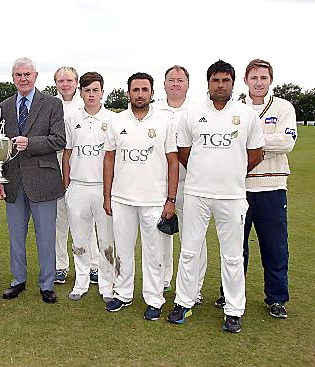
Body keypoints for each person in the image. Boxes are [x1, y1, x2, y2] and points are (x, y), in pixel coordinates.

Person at [168, 60, 264, 333]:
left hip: (232, 196)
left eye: (225, 81)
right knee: (189, 251)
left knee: (232, 256)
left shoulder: (246, 115)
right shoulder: (192, 113)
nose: (220, 85)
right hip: (197, 193)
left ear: (233, 83)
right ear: (208, 83)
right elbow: (184, 151)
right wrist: (204, 172)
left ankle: (234, 309)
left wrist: (231, 172)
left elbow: (256, 154)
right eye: (215, 81)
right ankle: (183, 301)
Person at [214, 59, 297, 318]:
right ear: (245, 80)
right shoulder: (236, 109)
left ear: (270, 80)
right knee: (235, 247)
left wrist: (252, 141)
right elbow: (230, 143)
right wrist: (258, 143)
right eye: (254, 78)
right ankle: (229, 294)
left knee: (274, 246)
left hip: (272, 187)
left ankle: (276, 298)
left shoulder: (283, 107)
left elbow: (286, 143)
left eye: (263, 77)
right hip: (239, 187)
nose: (259, 82)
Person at [103, 72, 179, 321]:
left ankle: (155, 299)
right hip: (122, 198)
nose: (140, 94)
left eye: (144, 89)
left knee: (154, 252)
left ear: (152, 93)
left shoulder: (164, 121)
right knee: (123, 249)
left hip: (154, 200)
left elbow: (172, 161)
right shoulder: (116, 121)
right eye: (135, 90)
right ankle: (123, 293)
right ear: (128, 93)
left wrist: (171, 199)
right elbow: (109, 158)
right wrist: (107, 195)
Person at [0, 57, 66, 303]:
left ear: (36, 76)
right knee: (16, 235)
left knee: (46, 235)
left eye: (27, 74)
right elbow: (0, 147)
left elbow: (59, 140)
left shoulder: (52, 104)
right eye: (18, 75)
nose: (23, 79)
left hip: (44, 180)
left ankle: (47, 284)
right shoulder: (3, 106)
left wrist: (31, 144)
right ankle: (18, 280)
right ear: (13, 78)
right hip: (14, 180)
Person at [155, 65, 207, 304]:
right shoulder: (154, 110)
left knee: (193, 238)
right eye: (171, 80)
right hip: (158, 183)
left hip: (192, 182)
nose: (175, 84)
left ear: (187, 84)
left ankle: (193, 286)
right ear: (164, 84)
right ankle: (163, 280)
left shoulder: (198, 110)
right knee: (161, 235)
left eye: (180, 80)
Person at [62, 72, 115, 302]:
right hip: (78, 187)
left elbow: (115, 158)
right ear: (80, 92)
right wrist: (67, 185)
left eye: (95, 90)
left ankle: (106, 284)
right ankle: (81, 281)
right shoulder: (72, 118)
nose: (91, 94)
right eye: (87, 90)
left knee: (106, 240)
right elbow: (67, 153)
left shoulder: (113, 119)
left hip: (103, 188)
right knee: (80, 239)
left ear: (102, 91)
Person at [54, 66, 99, 284]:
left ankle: (93, 264)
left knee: (86, 221)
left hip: (83, 166)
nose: (65, 84)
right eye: (61, 80)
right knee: (60, 220)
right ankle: (60, 266)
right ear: (56, 83)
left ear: (77, 83)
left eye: (69, 80)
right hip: (55, 163)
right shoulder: (49, 104)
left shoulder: (86, 105)